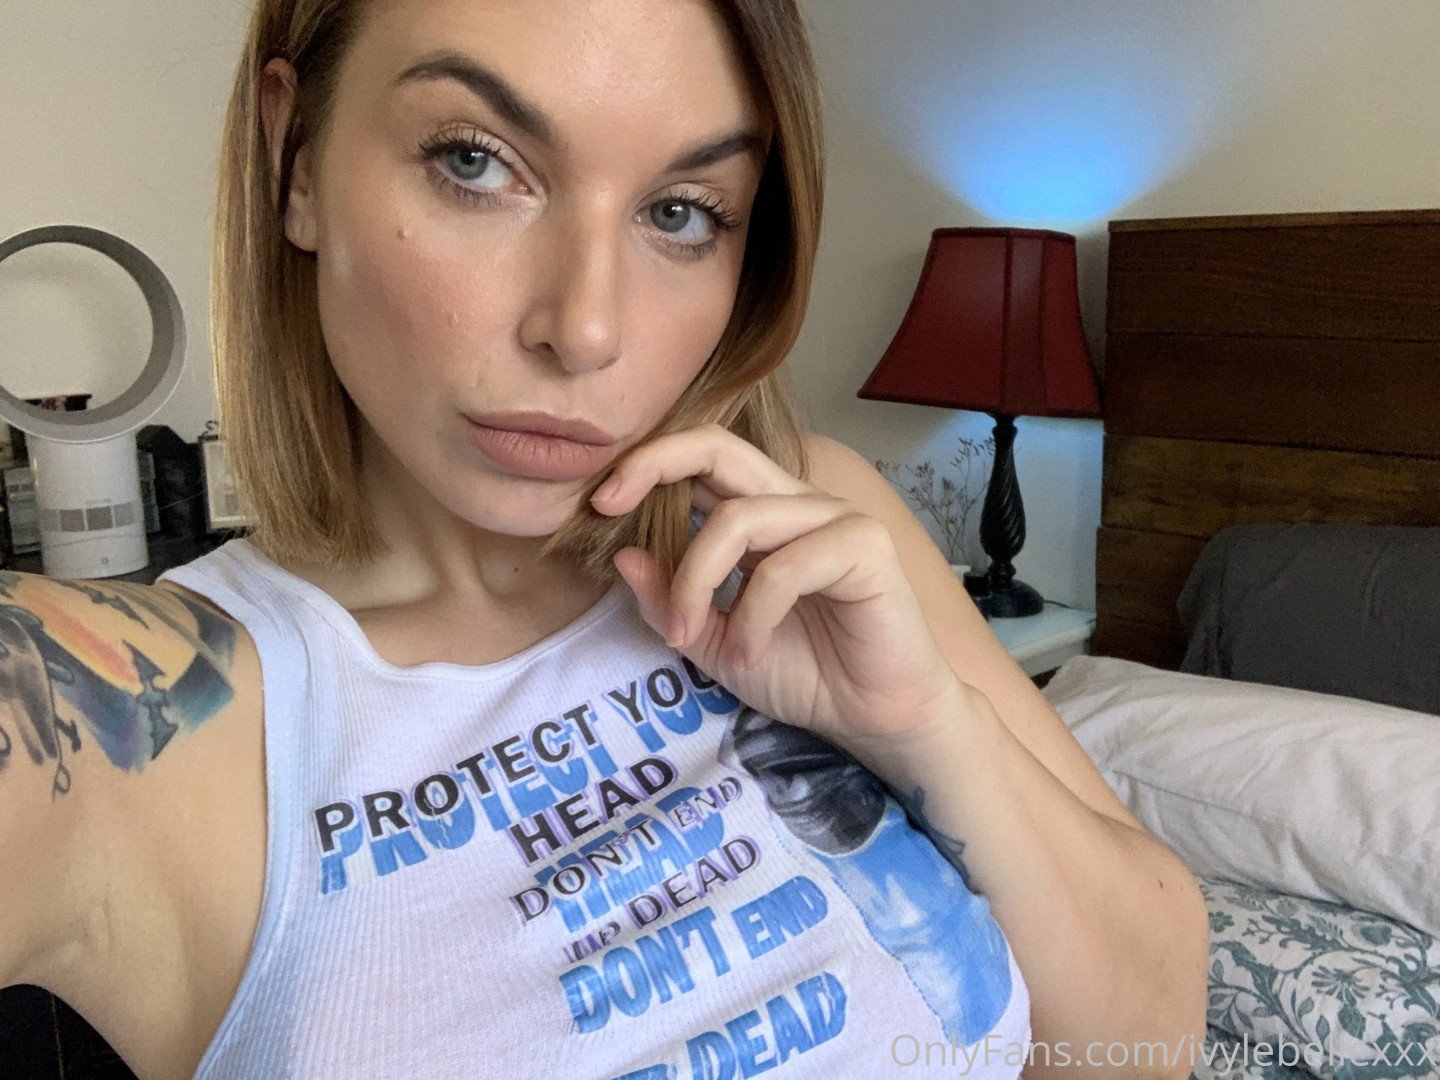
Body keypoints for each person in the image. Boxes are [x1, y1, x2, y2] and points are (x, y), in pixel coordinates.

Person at [0, 1, 1209, 1077]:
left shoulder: (808, 517)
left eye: (682, 213)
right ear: (296, 158)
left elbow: (1150, 1039)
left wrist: (926, 724)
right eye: (475, 161)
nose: (585, 329)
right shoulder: (127, 718)